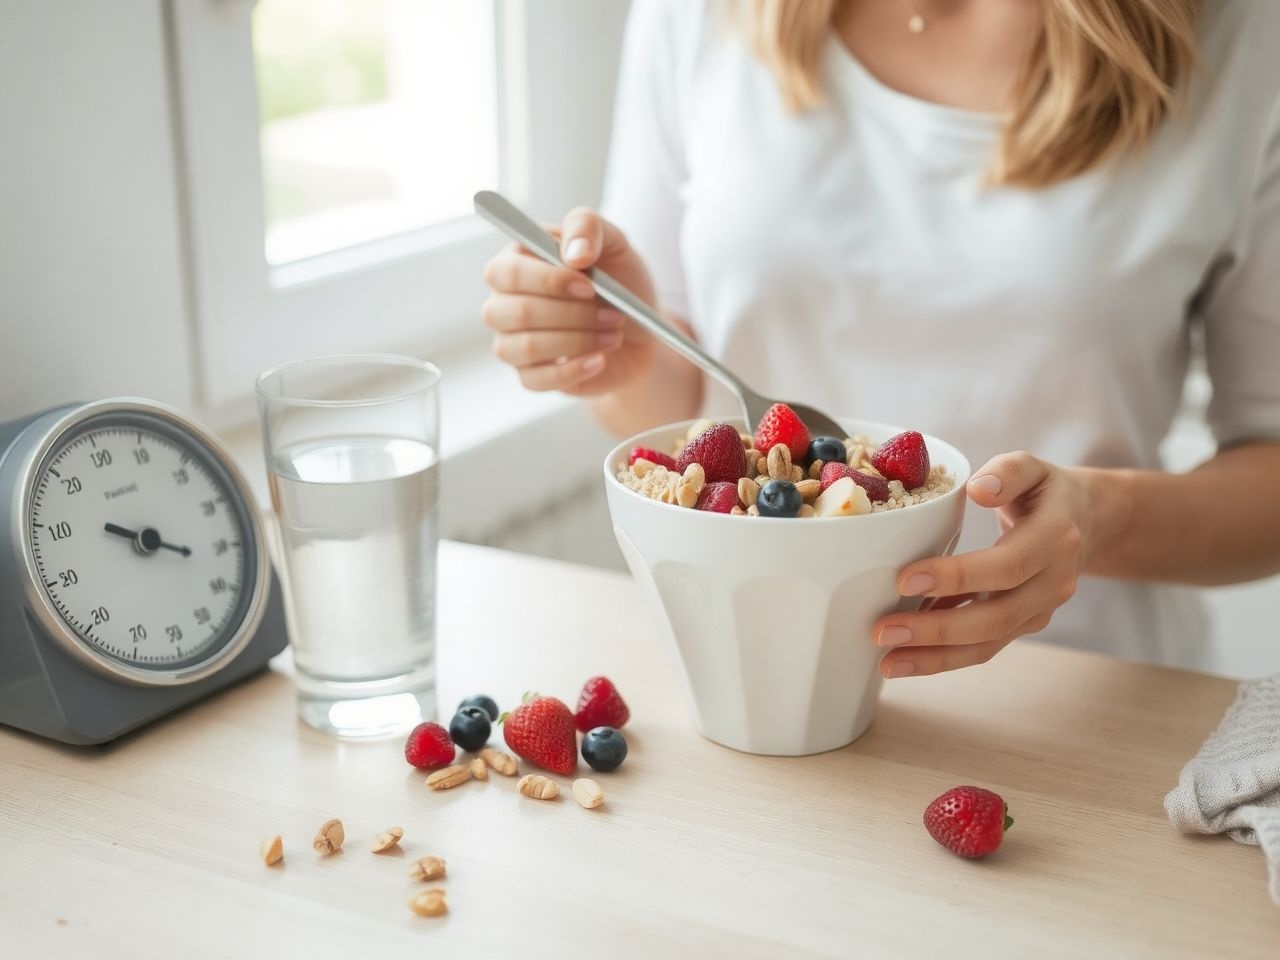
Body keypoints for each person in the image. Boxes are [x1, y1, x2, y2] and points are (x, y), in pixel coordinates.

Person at [481, 0, 1280, 678]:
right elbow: (680, 416)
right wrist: (620, 351)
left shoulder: (1242, 37)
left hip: (1084, 692)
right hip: (755, 669)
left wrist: (1101, 518)